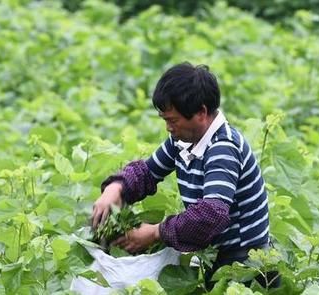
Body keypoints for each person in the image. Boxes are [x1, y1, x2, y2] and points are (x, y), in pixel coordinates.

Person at [91, 62, 280, 289]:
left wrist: (154, 232)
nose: (169, 128)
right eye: (165, 120)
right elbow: (148, 172)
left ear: (201, 112)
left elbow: (211, 214)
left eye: (173, 120)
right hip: (215, 256)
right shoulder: (183, 140)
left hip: (245, 266)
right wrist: (117, 188)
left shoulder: (223, 147)